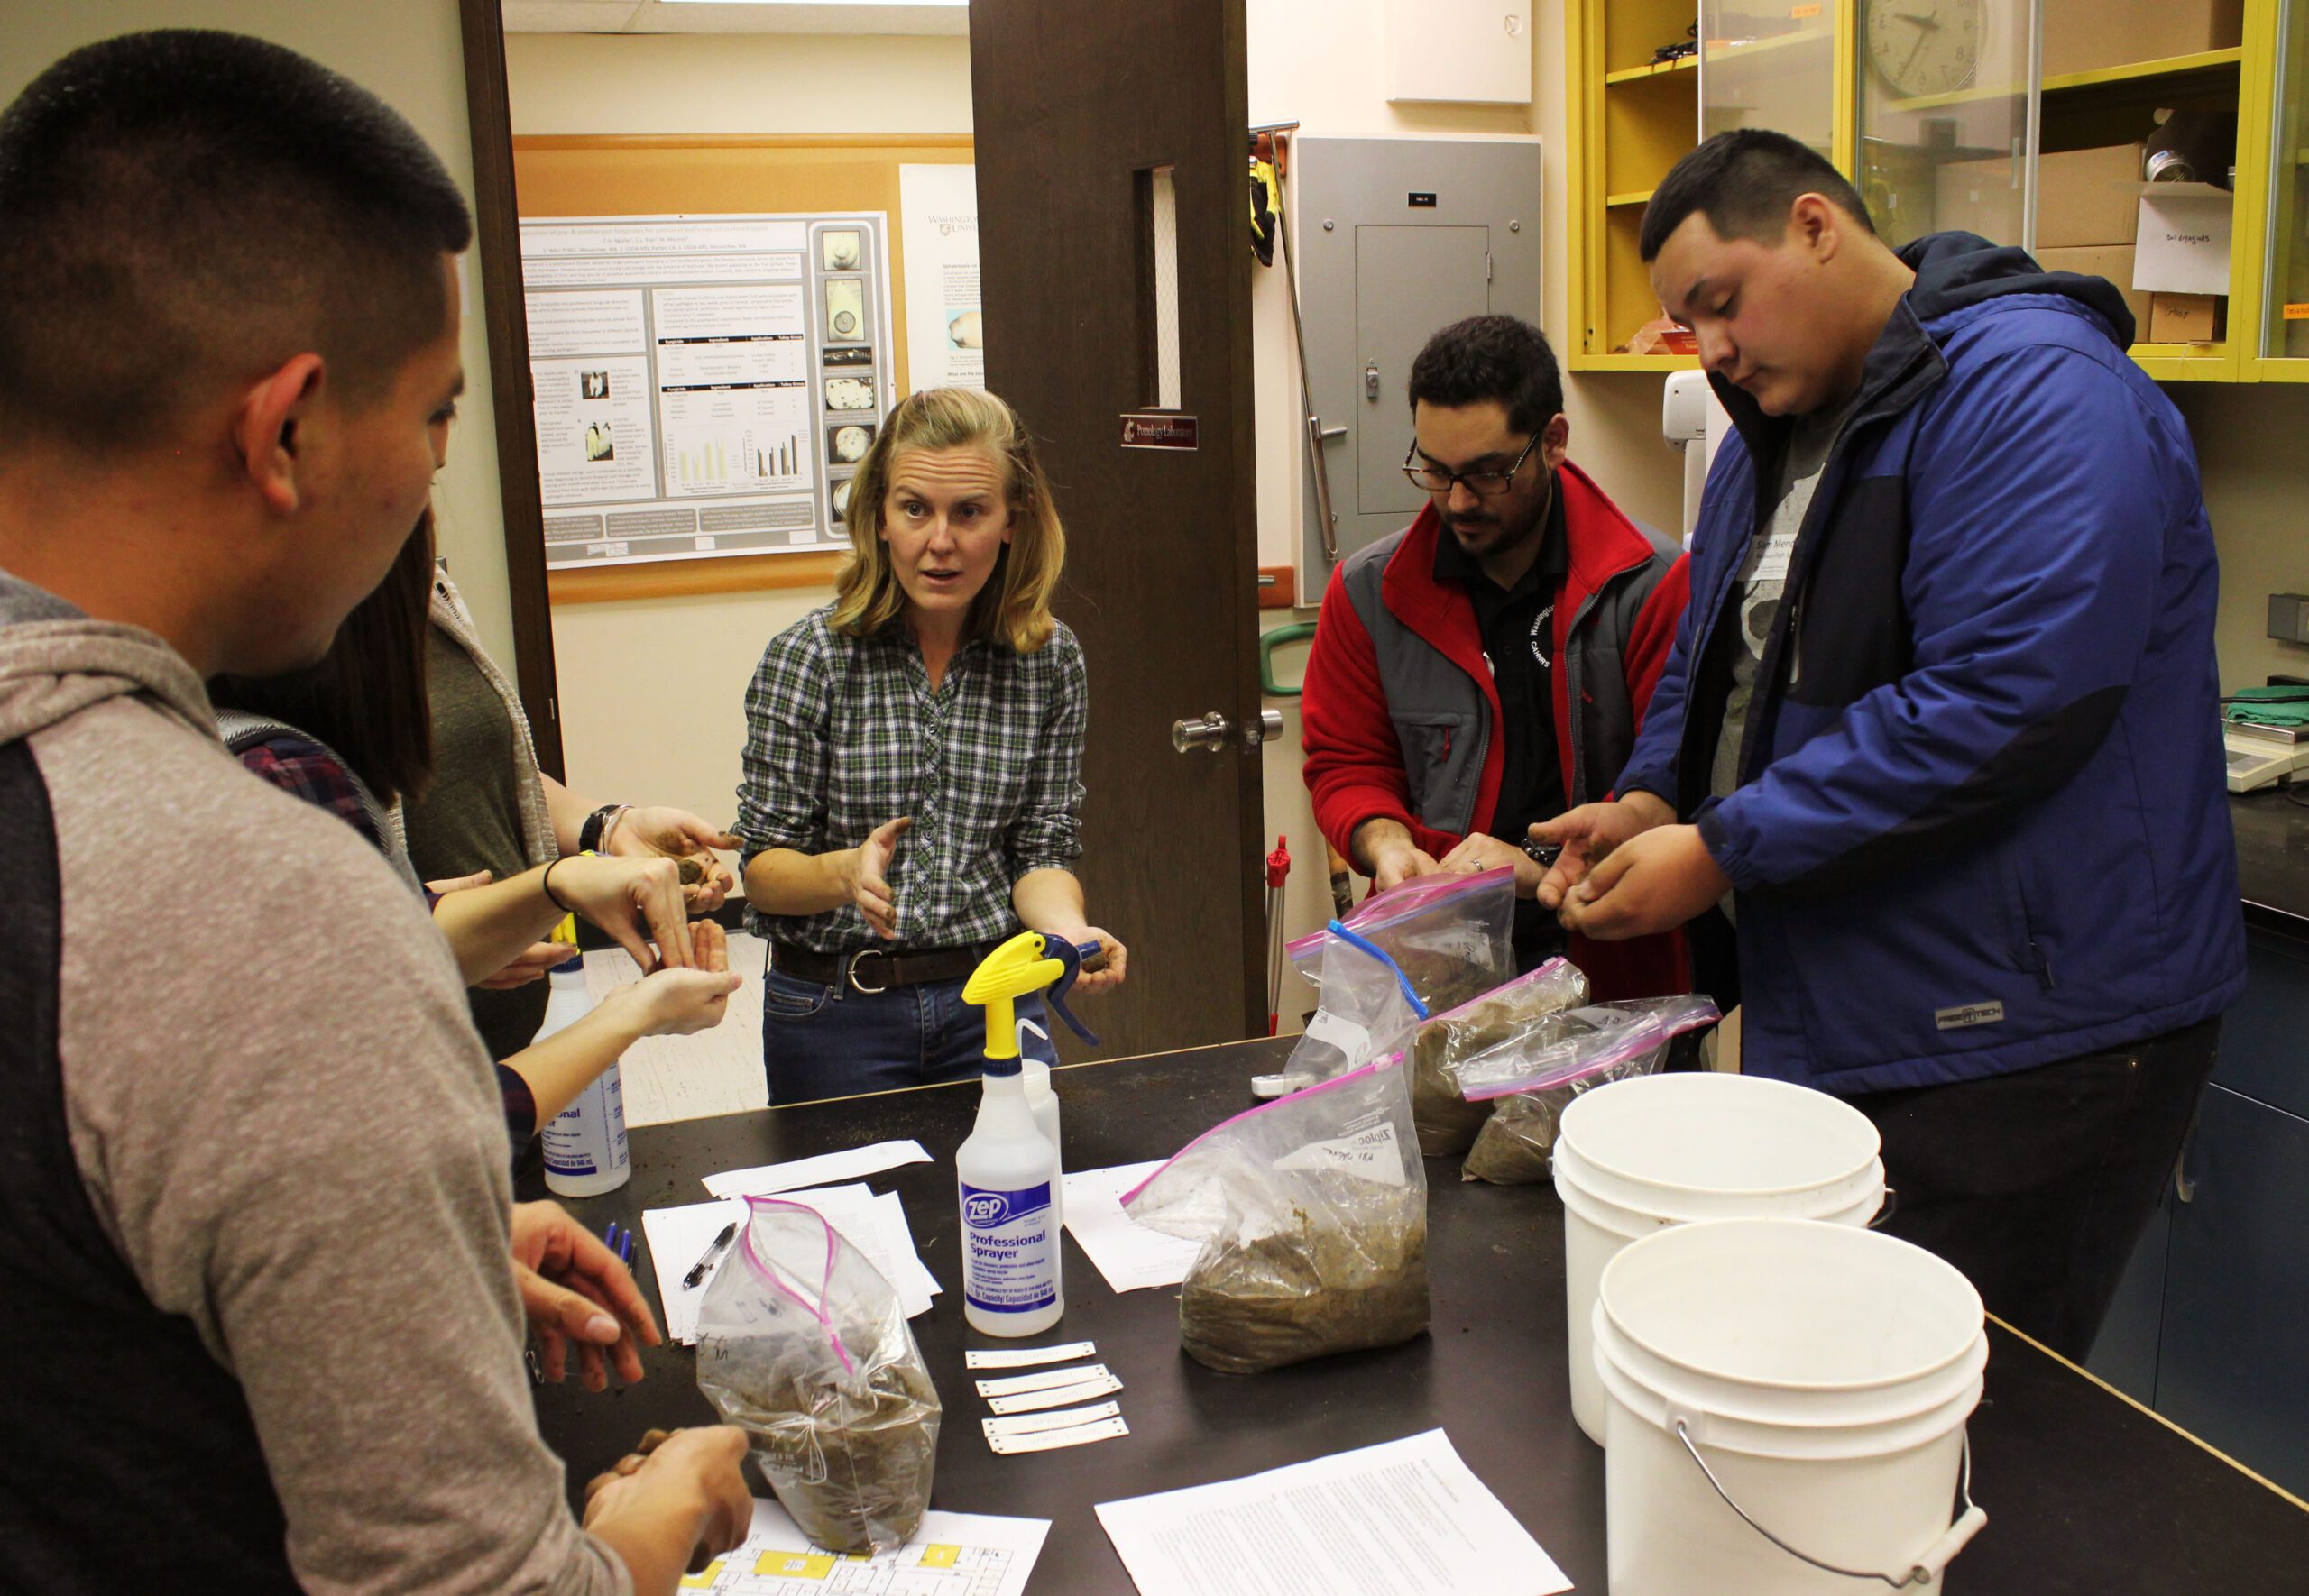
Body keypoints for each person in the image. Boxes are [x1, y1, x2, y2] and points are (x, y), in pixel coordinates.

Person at [0, 30, 748, 1592]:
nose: (428, 474)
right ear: (285, 432)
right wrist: (634, 1538)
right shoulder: (255, 904)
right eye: (431, 417)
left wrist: (408, 1266)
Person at [1535, 129, 2246, 1360]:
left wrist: (1725, 846)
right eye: (1684, 324)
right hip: (1882, 1004)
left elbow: (2004, 701)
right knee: (1852, 1402)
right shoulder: (1782, 427)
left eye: (1721, 302)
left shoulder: (2037, 392)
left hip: (2035, 1029)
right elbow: (1724, 661)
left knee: (1968, 1428)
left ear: (1815, 226)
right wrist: (1659, 797)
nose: (1709, 348)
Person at [210, 515, 742, 1146]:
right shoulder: (273, 769)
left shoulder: (422, 599)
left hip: (499, 1064)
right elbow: (429, 1127)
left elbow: (480, 770)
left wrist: (601, 832)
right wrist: (627, 1008)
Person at [738, 387, 1126, 1104]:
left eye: (970, 512)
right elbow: (761, 870)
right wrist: (842, 874)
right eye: (915, 508)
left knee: (1016, 1201)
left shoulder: (1049, 660)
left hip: (994, 1001)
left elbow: (1041, 850)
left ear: (1012, 522)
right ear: (880, 517)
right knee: (851, 1215)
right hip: (834, 1011)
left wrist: (1071, 932)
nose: (939, 540)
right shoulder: (809, 659)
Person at [1299, 315, 1691, 997]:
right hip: (1438, 969)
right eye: (1435, 470)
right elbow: (1346, 763)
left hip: (1617, 975)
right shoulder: (1369, 593)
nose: (1456, 501)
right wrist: (1385, 844)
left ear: (1554, 442)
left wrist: (1538, 877)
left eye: (1486, 473)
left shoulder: (1651, 585)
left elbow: (1677, 803)